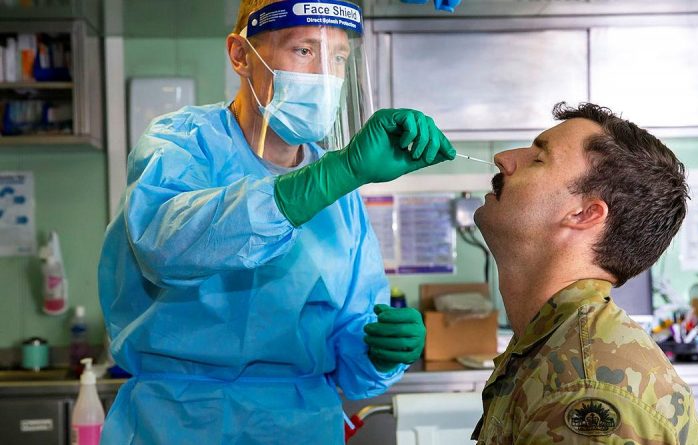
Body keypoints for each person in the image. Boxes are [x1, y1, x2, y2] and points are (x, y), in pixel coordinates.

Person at [97, 1, 454, 444]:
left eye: (339, 57)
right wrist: (330, 177)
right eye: (304, 50)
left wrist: (379, 350)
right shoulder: (182, 144)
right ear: (241, 54)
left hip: (300, 426)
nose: (326, 75)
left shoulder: (340, 194)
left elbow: (351, 344)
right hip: (176, 423)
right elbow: (166, 247)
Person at [471, 102, 698, 444]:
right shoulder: (549, 347)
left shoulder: (585, 388)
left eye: (539, 158)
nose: (504, 158)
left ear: (583, 214)